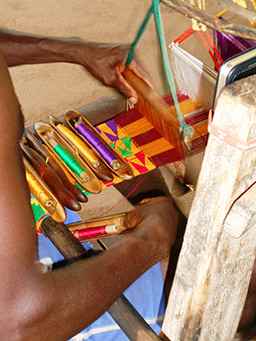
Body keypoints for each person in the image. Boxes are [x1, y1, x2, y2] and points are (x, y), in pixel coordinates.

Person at [0, 30, 178, 340]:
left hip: (22, 272)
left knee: (103, 133)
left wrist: (72, 50)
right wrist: (152, 241)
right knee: (238, 286)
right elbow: (17, 323)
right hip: (41, 318)